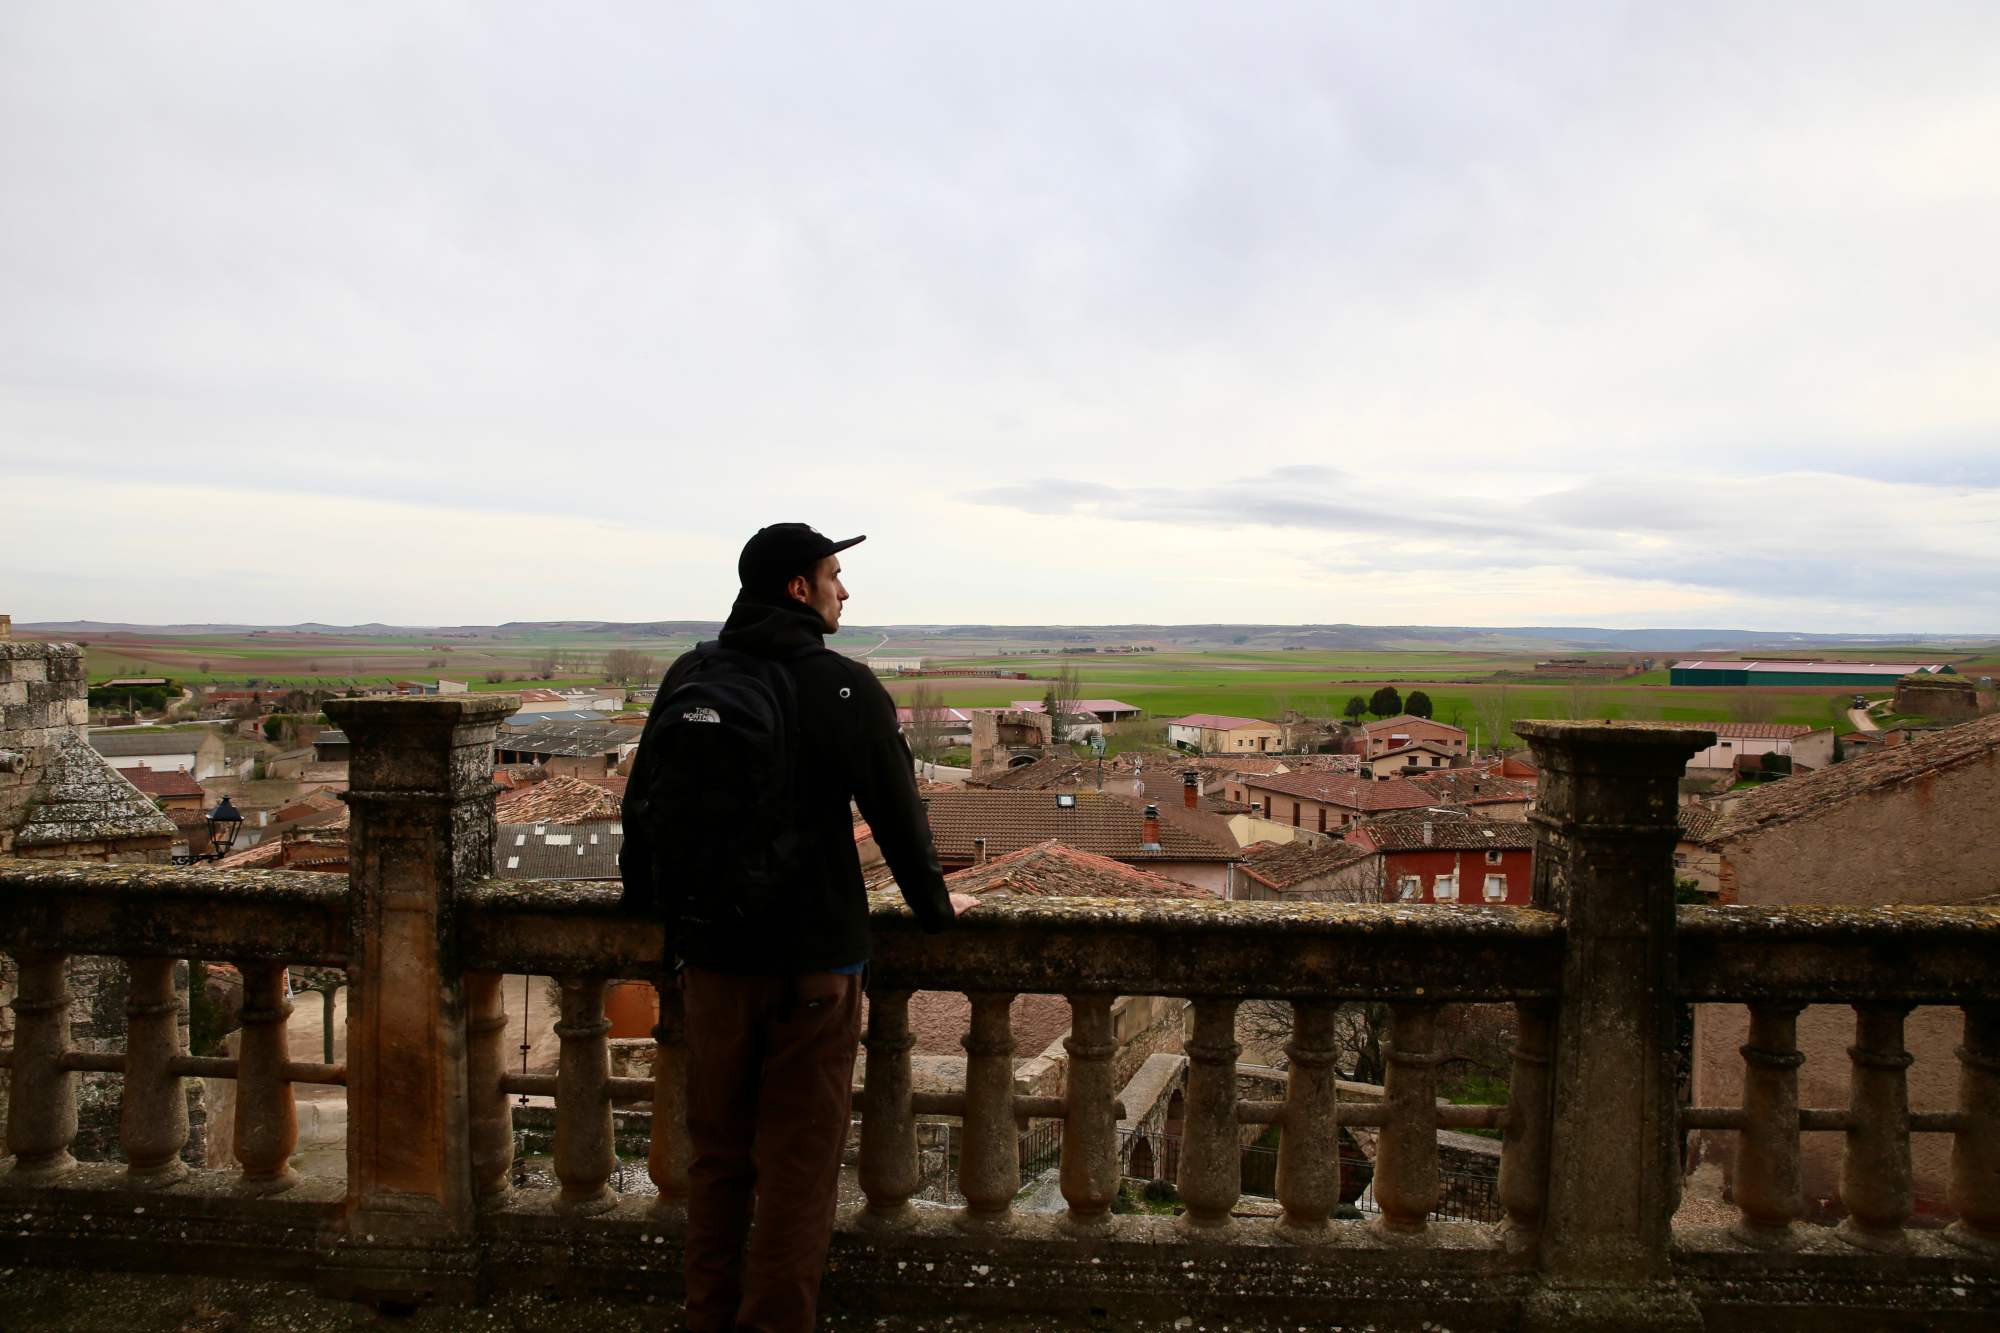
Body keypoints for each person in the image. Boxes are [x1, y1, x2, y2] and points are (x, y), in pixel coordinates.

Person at [619, 523, 974, 1333]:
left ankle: (707, 1316)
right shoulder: (844, 686)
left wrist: (652, 915)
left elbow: (642, 806)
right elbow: (902, 824)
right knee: (797, 1167)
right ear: (798, 588)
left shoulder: (692, 673)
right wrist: (939, 914)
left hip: (711, 955)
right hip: (815, 960)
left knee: (717, 1160)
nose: (844, 589)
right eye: (833, 575)